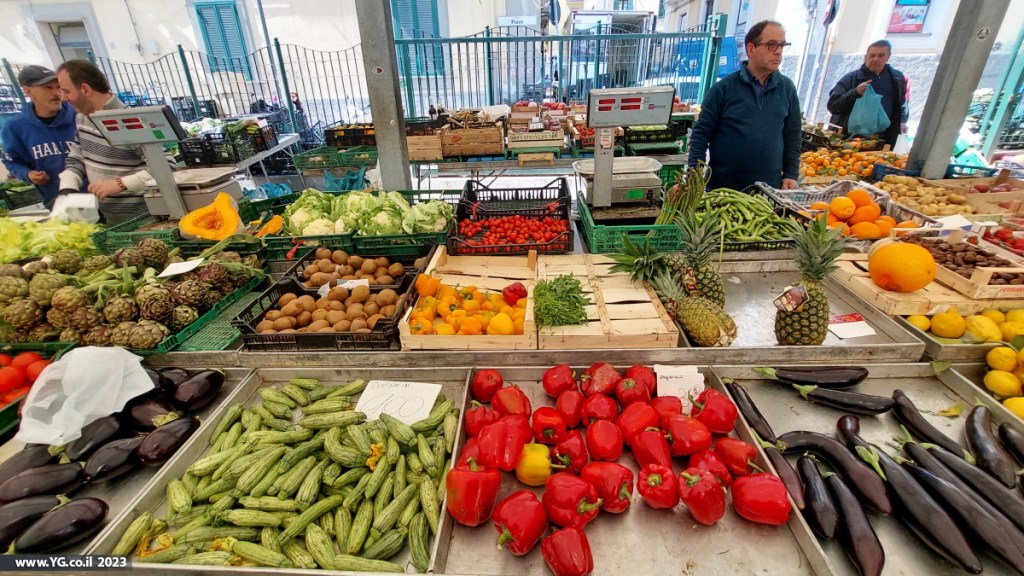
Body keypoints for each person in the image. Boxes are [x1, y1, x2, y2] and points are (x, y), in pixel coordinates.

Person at [56, 59, 176, 225]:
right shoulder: (82, 118)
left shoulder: (127, 122)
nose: (63, 98)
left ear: (85, 89)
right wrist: (67, 189)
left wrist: (120, 184)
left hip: (146, 221)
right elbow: (77, 157)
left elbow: (166, 165)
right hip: (112, 220)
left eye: (66, 91)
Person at [687, 20, 801, 190]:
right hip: (724, 189)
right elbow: (701, 134)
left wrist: (791, 173)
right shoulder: (723, 89)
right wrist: (693, 176)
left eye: (782, 45)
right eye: (771, 45)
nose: (778, 51)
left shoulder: (787, 89)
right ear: (751, 49)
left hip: (768, 190)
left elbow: (793, 135)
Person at [1, 65, 77, 207]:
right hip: (57, 202)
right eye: (48, 88)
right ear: (27, 91)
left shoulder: (79, 116)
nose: (56, 93)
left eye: (58, 87)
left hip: (97, 195)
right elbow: (11, 161)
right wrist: (28, 174)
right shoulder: (16, 127)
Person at [827, 40, 909, 149]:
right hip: (849, 139)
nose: (875, 59)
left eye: (880, 56)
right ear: (866, 57)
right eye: (872, 55)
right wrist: (855, 92)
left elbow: (901, 104)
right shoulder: (852, 78)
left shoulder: (897, 79)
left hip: (881, 140)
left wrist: (902, 121)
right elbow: (833, 104)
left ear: (888, 56)